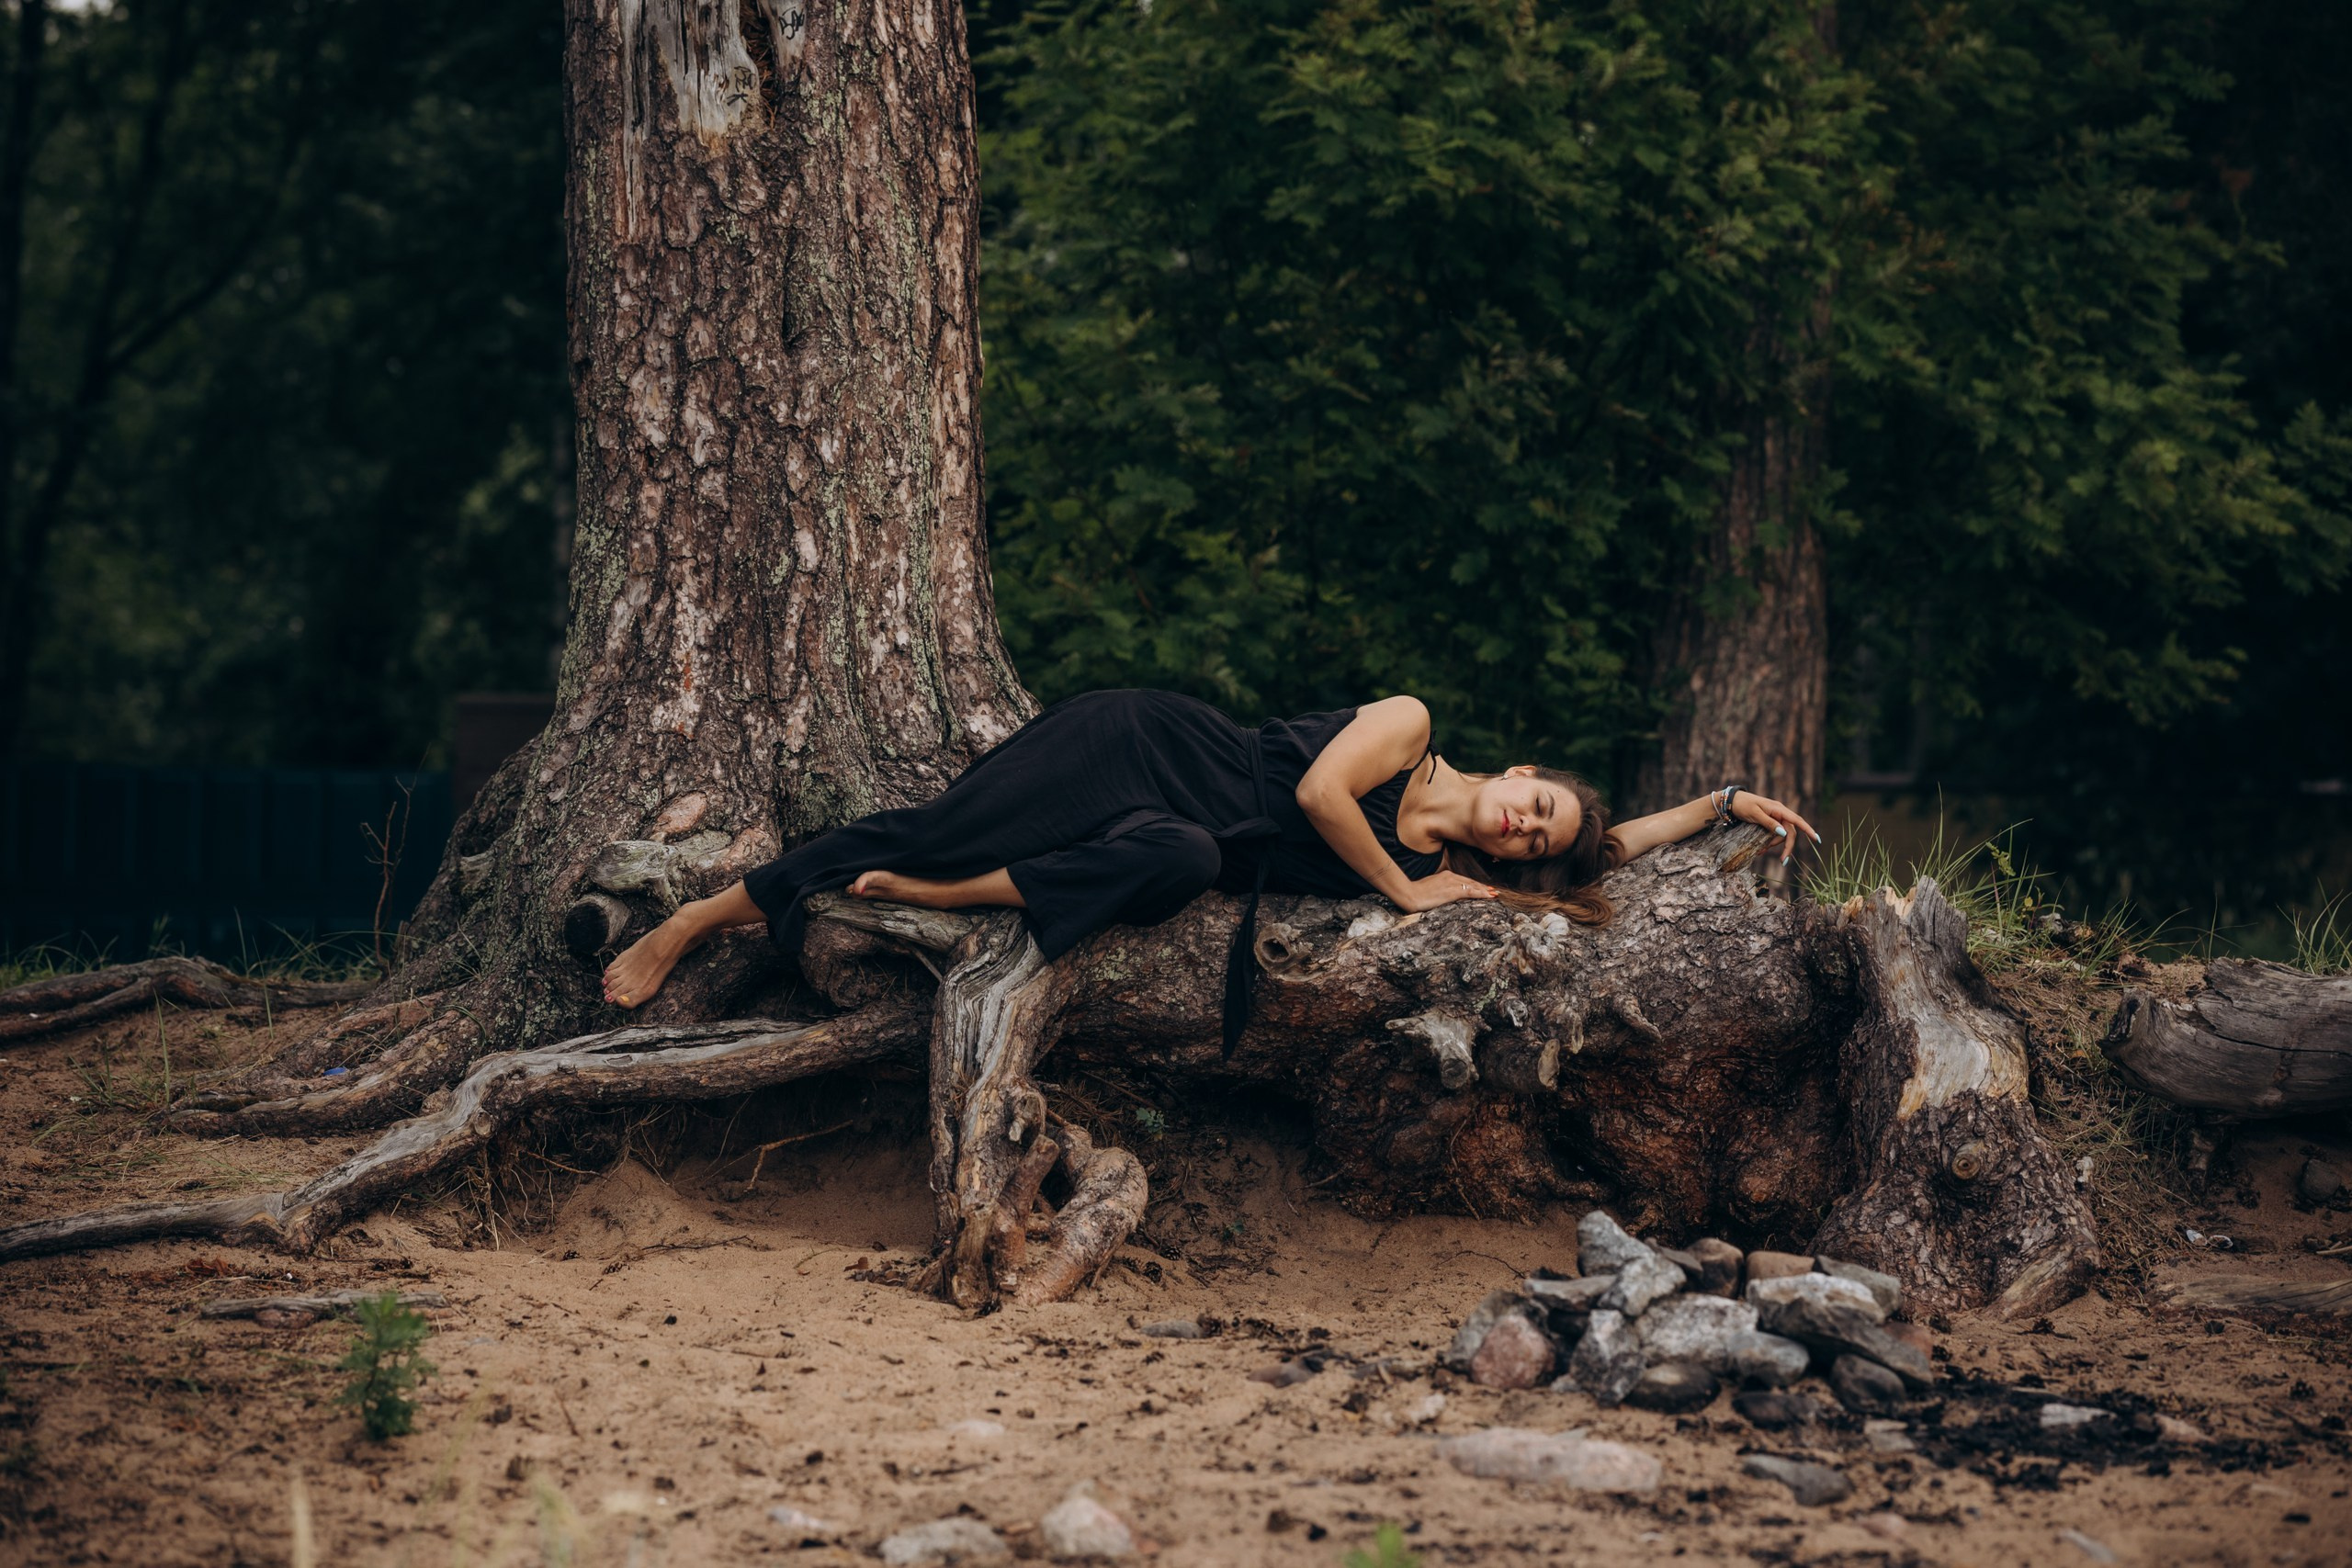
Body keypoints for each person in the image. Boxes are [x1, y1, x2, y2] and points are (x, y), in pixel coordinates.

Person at [596, 691, 1817, 1046]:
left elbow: (1607, 848)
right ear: (1521, 768)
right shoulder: (1406, 724)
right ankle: (702, 920)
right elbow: (1314, 797)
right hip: (1146, 744)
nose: (1524, 830)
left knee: (1177, 863)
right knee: (928, 827)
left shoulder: (1483, 856)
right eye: (1533, 806)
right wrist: (1400, 893)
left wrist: (1713, 807)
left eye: (1537, 841)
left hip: (1183, 840)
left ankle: (944, 902)